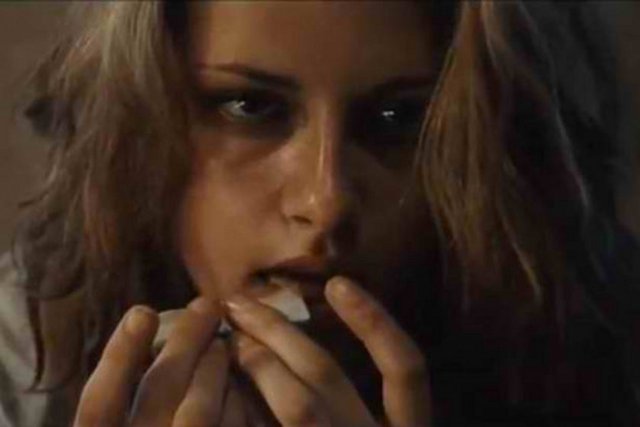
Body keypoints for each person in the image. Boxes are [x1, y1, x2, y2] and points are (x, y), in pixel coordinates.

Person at [1, 1, 639, 426]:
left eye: (398, 118)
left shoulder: (608, 346)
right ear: (137, 119)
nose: (325, 202)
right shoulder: (19, 357)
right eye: (249, 107)